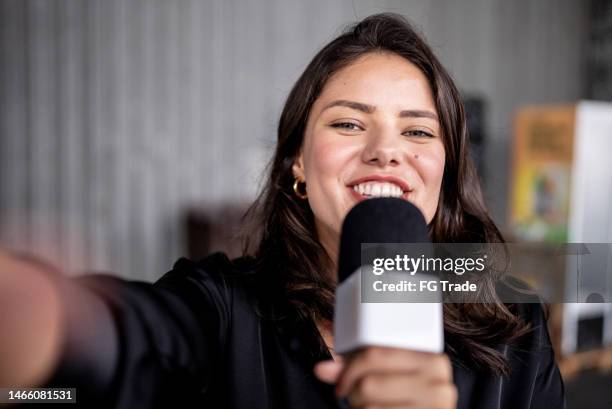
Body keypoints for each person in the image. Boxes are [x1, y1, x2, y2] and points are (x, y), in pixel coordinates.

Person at [0, 13, 564, 409]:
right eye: (348, 123)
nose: (387, 150)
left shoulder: (515, 323)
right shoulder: (222, 307)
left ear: (445, 170)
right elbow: (119, 350)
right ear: (296, 161)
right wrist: (53, 330)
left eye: (418, 130)